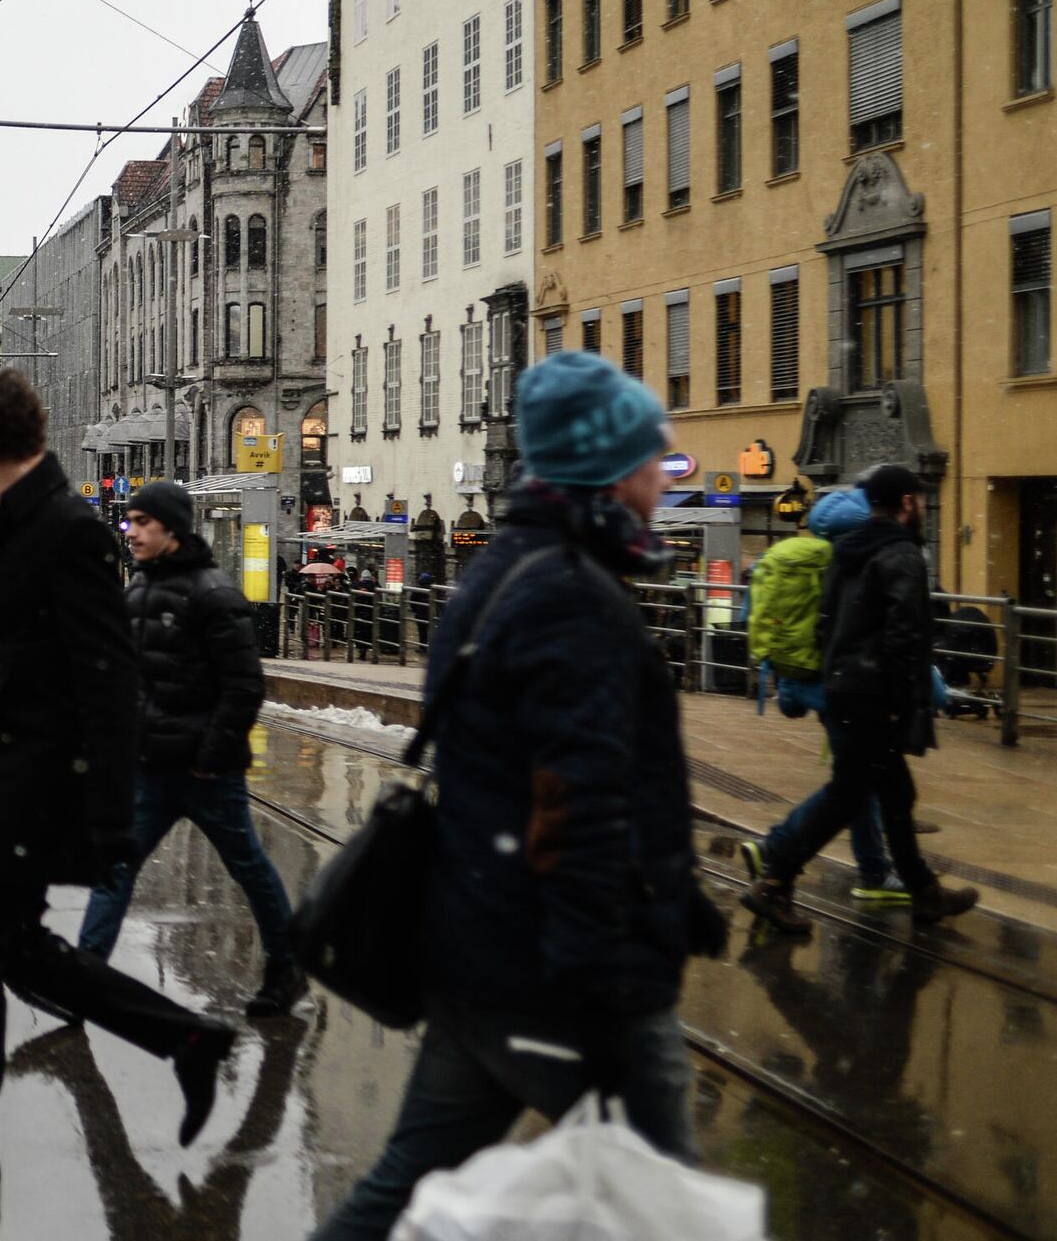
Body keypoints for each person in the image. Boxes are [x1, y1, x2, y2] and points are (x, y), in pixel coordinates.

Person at [313, 352, 723, 1241]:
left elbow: (523, 776)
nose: (664, 473)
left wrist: (674, 892)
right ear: (606, 470)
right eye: (651, 455)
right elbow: (578, 802)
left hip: (482, 942)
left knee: (398, 1192)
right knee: (667, 1212)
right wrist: (599, 980)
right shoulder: (572, 595)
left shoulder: (505, 569)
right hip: (554, 970)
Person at [0, 369, 237, 1213]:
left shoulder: (67, 530)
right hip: (4, 774)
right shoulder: (10, 523)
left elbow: (108, 680)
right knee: (16, 952)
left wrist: (110, 816)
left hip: (37, 783)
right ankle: (186, 1039)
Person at [76, 481, 304, 1016]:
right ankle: (82, 978)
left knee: (248, 866)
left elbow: (245, 686)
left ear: (171, 530)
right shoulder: (137, 591)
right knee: (116, 868)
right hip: (150, 768)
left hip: (206, 775)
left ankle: (285, 966)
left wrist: (208, 758)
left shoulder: (213, 594)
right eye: (129, 521)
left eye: (142, 523)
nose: (130, 532)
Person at [741, 465, 980, 931]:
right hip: (875, 694)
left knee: (892, 792)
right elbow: (905, 634)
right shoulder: (902, 554)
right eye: (917, 498)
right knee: (848, 796)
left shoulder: (847, 552)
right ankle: (773, 881)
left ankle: (923, 891)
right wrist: (902, 698)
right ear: (908, 503)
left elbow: (830, 624)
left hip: (846, 688)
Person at [739, 490, 904, 904]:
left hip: (806, 681)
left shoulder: (796, 561)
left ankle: (874, 871)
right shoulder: (850, 570)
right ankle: (777, 849)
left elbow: (751, 617)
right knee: (852, 785)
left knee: (856, 783)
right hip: (842, 690)